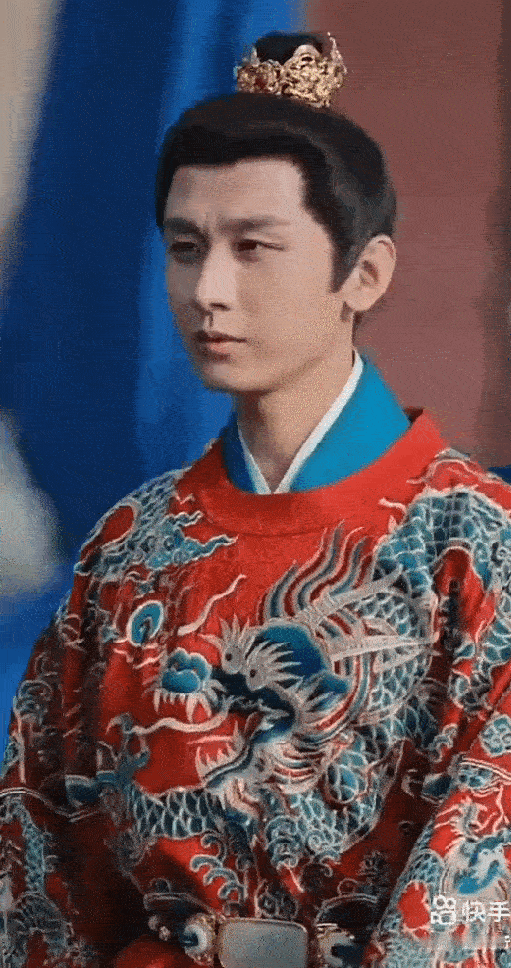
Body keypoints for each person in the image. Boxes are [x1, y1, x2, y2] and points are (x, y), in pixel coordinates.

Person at [2, 31, 511, 968]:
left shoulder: (475, 546)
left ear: (365, 272)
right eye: (186, 248)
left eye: (254, 249)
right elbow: (43, 875)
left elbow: (474, 883)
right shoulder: (130, 549)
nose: (209, 291)